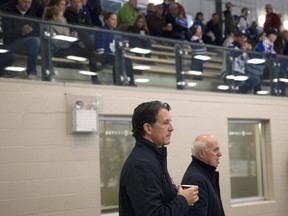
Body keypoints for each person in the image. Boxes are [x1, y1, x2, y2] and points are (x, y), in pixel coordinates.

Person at [119, 100, 199, 216]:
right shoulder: (142, 165)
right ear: (148, 128)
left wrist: (177, 195)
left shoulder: (153, 158)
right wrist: (183, 200)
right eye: (166, 123)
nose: (171, 128)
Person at [181, 134, 225, 216]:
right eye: (215, 150)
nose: (220, 154)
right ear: (201, 154)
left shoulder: (206, 174)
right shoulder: (195, 179)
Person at [1, 0, 40, 80]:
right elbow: (5, 33)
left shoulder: (31, 14)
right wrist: (21, 31)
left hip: (27, 43)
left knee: (43, 42)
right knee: (34, 41)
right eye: (25, 2)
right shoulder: (8, 11)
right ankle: (31, 72)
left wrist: (28, 32)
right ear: (19, 1)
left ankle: (49, 73)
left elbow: (37, 31)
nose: (27, 5)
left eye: (29, 3)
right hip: (11, 43)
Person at [94, 12, 135, 86]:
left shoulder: (118, 33)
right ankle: (117, 82)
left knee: (128, 60)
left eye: (116, 19)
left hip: (115, 56)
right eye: (112, 19)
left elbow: (121, 48)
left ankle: (131, 82)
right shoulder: (102, 31)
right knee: (118, 59)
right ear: (106, 20)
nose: (115, 21)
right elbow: (100, 50)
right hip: (105, 56)